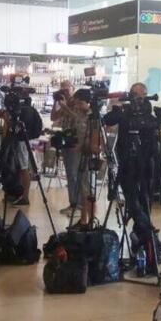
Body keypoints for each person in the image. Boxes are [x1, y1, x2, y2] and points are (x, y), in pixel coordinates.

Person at [104, 82, 161, 271]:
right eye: (134, 94)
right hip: (127, 163)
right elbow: (108, 120)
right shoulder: (125, 110)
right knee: (132, 200)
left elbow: (153, 128)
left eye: (140, 94)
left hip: (146, 163)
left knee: (145, 201)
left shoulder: (148, 112)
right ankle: (148, 231)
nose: (137, 98)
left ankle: (142, 241)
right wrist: (118, 107)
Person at [72, 89, 102, 226]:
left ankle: (92, 220)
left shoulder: (94, 117)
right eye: (76, 103)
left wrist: (85, 145)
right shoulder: (80, 114)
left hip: (89, 156)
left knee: (89, 190)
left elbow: (96, 140)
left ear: (88, 102)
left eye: (80, 103)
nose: (77, 106)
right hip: (79, 155)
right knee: (82, 189)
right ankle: (83, 219)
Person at [51, 80, 78, 215]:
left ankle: (77, 205)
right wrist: (56, 101)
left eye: (67, 90)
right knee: (70, 174)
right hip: (65, 140)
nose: (65, 92)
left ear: (73, 89)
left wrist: (65, 106)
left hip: (75, 141)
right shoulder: (65, 103)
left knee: (73, 174)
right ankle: (73, 203)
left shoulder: (77, 103)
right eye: (63, 90)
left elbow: (78, 118)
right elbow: (53, 117)